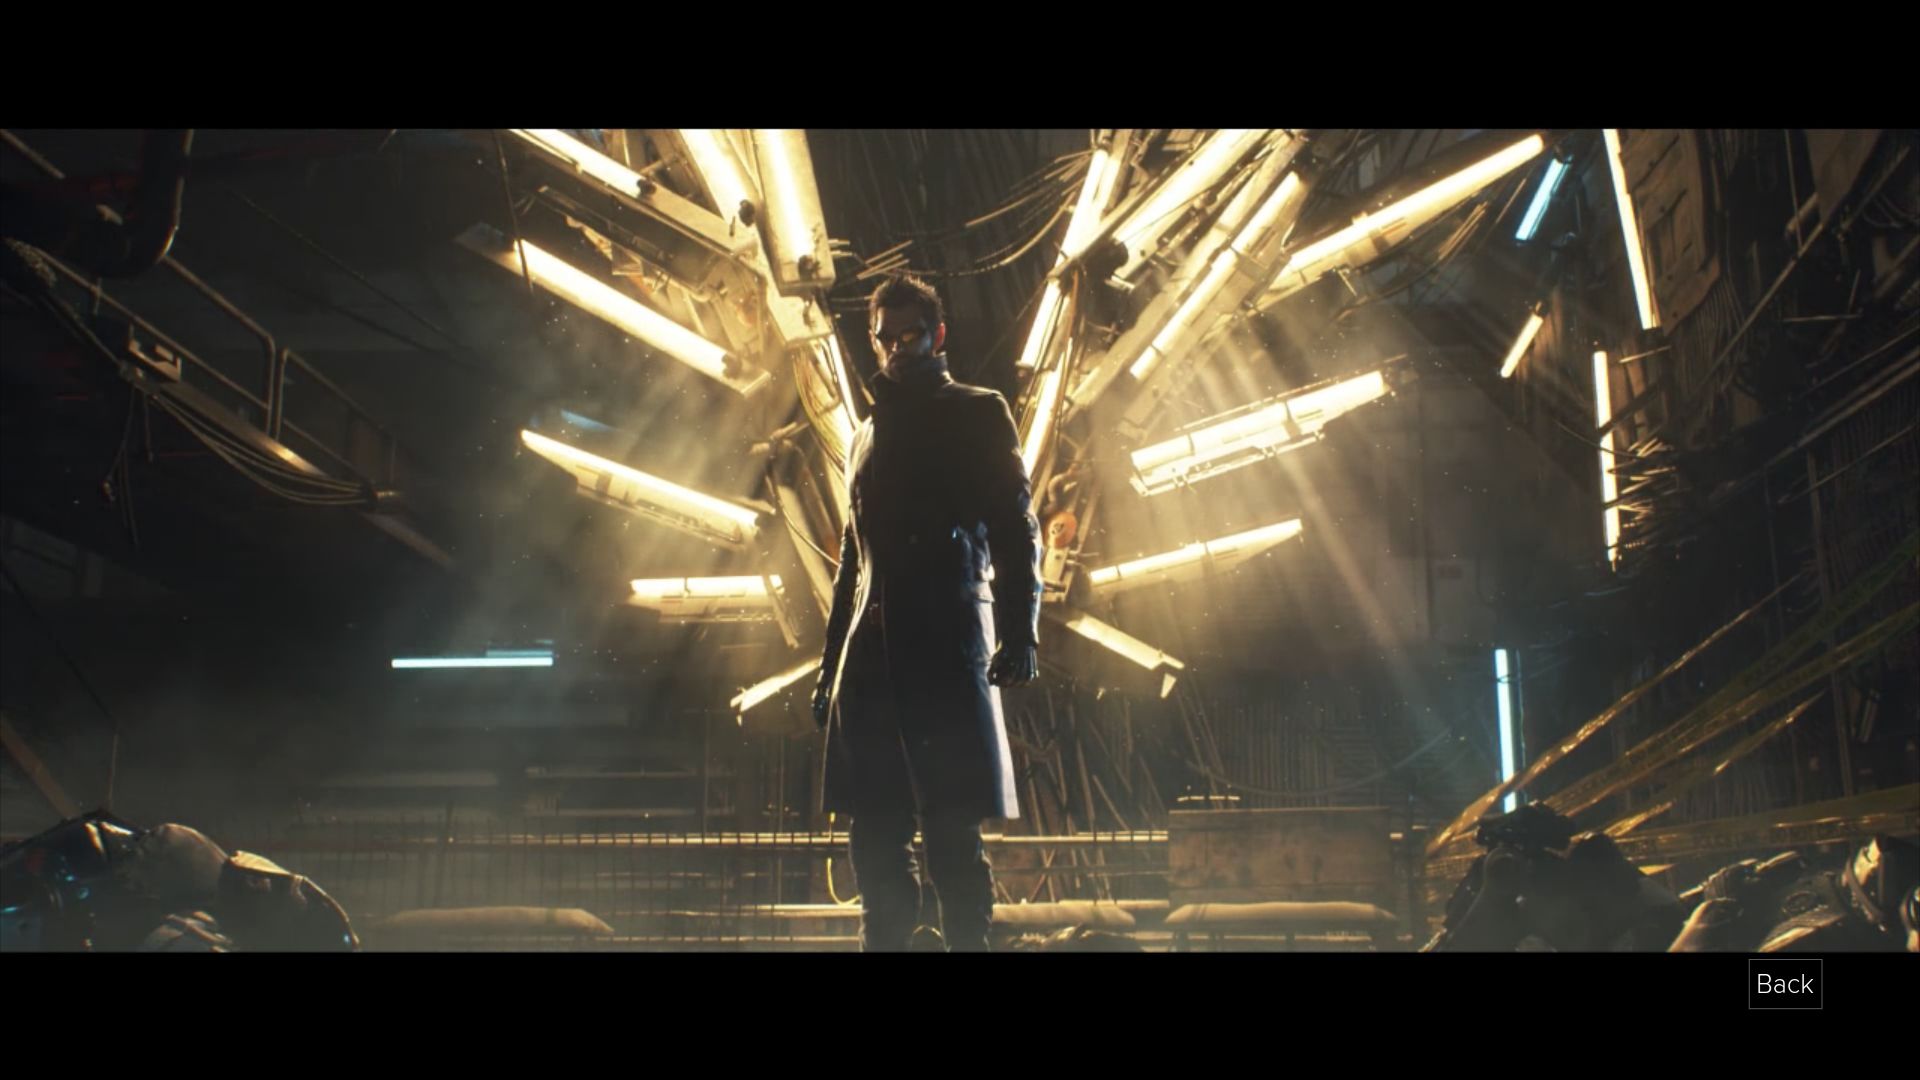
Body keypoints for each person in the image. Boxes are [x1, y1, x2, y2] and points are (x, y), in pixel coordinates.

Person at [810, 273, 1042, 952]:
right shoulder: (865, 435)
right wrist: (830, 667)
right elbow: (852, 563)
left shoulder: (976, 411)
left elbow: (1016, 526)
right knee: (875, 832)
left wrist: (1022, 630)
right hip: (876, 661)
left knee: (950, 832)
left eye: (908, 335)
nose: (895, 349)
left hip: (943, 649)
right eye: (884, 338)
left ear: (937, 336)